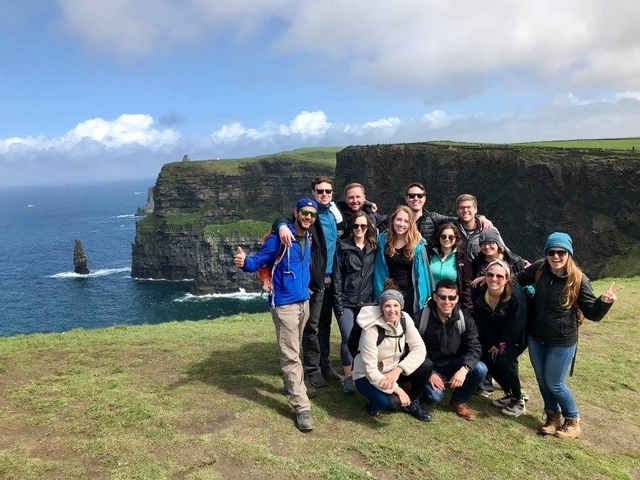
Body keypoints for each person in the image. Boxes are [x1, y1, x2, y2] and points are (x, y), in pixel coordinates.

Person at [516, 232, 622, 439]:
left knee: (555, 382)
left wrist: (604, 302)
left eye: (561, 252)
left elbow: (592, 313)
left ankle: (573, 420)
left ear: (569, 254)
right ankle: (552, 417)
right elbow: (518, 278)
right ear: (546, 254)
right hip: (537, 336)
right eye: (551, 252)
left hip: (562, 341)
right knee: (542, 379)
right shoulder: (540, 270)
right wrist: (492, 276)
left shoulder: (579, 280)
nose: (556, 256)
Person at [234, 197, 318, 432]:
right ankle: (302, 406)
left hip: (303, 302)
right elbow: (256, 262)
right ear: (296, 213)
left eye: (312, 214)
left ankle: (294, 386)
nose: (308, 217)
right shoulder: (279, 239)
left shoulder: (308, 237)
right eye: (304, 213)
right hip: (284, 306)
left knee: (295, 349)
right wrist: (243, 262)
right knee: (290, 355)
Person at [274, 177, 343, 388]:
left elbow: (356, 213)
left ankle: (325, 364)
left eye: (328, 191)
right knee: (311, 326)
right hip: (315, 280)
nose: (324, 194)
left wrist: (367, 204)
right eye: (320, 191)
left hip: (333, 277)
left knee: (325, 325)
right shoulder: (309, 214)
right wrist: (280, 226)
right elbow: (285, 220)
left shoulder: (333, 214)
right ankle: (312, 369)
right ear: (313, 192)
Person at [351, 279, 433, 421]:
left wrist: (398, 370)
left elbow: (419, 349)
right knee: (392, 404)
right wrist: (398, 390)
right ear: (381, 307)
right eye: (387, 306)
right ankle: (373, 401)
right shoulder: (371, 328)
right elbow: (370, 370)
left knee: (426, 364)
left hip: (392, 370)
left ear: (401, 306)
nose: (392, 310)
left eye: (396, 305)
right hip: (367, 375)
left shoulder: (404, 319)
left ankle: (413, 401)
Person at [415, 279, 487, 421]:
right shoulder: (420, 318)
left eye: (451, 297)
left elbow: (475, 346)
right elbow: (410, 348)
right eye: (442, 297)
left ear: (457, 298)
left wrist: (464, 369)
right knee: (434, 397)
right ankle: (418, 385)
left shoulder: (464, 318)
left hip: (454, 363)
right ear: (435, 297)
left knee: (481, 369)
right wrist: (428, 373)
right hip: (429, 364)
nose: (447, 301)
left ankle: (458, 401)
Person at [473, 260, 528, 417]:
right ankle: (510, 394)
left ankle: (518, 399)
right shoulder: (480, 292)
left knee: (503, 362)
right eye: (490, 275)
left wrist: (499, 345)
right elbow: (482, 321)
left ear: (507, 279)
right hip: (493, 336)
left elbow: (515, 327)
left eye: (499, 276)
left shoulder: (516, 298)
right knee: (487, 360)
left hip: (516, 337)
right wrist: (490, 343)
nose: (494, 279)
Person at [332, 212, 377, 394]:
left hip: (367, 303)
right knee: (348, 337)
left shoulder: (374, 247)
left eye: (363, 226)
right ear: (351, 227)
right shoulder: (342, 247)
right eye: (356, 226)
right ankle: (348, 377)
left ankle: (363, 373)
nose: (359, 229)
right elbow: (336, 277)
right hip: (347, 302)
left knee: (364, 339)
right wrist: (338, 304)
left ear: (368, 228)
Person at [373, 205, 431, 315]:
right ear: (393, 221)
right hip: (387, 295)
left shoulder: (418, 245)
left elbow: (424, 275)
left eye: (406, 221)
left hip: (410, 296)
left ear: (411, 224)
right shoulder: (382, 241)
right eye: (398, 219)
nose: (401, 224)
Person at [404, 182, 492, 243]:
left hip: (426, 266)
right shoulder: (398, 220)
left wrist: (481, 218)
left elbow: (462, 218)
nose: (416, 198)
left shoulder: (434, 218)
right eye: (412, 196)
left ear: (424, 198)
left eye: (419, 196)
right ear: (406, 199)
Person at [426, 222, 473, 314]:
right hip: (428, 303)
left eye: (451, 237)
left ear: (456, 239)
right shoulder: (428, 255)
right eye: (443, 236)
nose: (447, 239)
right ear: (439, 237)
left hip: (450, 304)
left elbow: (467, 287)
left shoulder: (462, 260)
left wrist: (467, 310)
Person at [454, 194, 490, 261]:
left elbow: (500, 250)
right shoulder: (452, 230)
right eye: (462, 208)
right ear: (457, 211)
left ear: (475, 209)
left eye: (468, 207)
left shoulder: (486, 229)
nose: (465, 210)